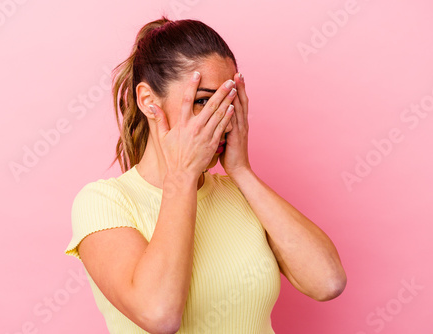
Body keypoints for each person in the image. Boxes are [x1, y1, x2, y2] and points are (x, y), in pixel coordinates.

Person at [64, 16, 347, 334]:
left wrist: (241, 171)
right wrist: (182, 174)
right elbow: (159, 314)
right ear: (148, 101)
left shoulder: (240, 194)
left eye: (228, 103)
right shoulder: (104, 202)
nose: (222, 121)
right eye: (202, 101)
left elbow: (328, 282)